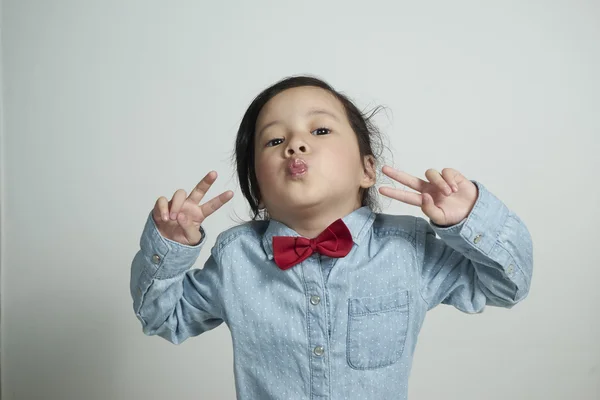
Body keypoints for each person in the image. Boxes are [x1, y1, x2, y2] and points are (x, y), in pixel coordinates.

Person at [130, 75, 533, 399]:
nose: (296, 144)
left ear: (367, 169)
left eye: (320, 129)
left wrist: (470, 219)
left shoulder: (409, 249)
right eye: (274, 140)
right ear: (257, 187)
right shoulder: (237, 259)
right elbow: (163, 318)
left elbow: (507, 285)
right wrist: (172, 246)